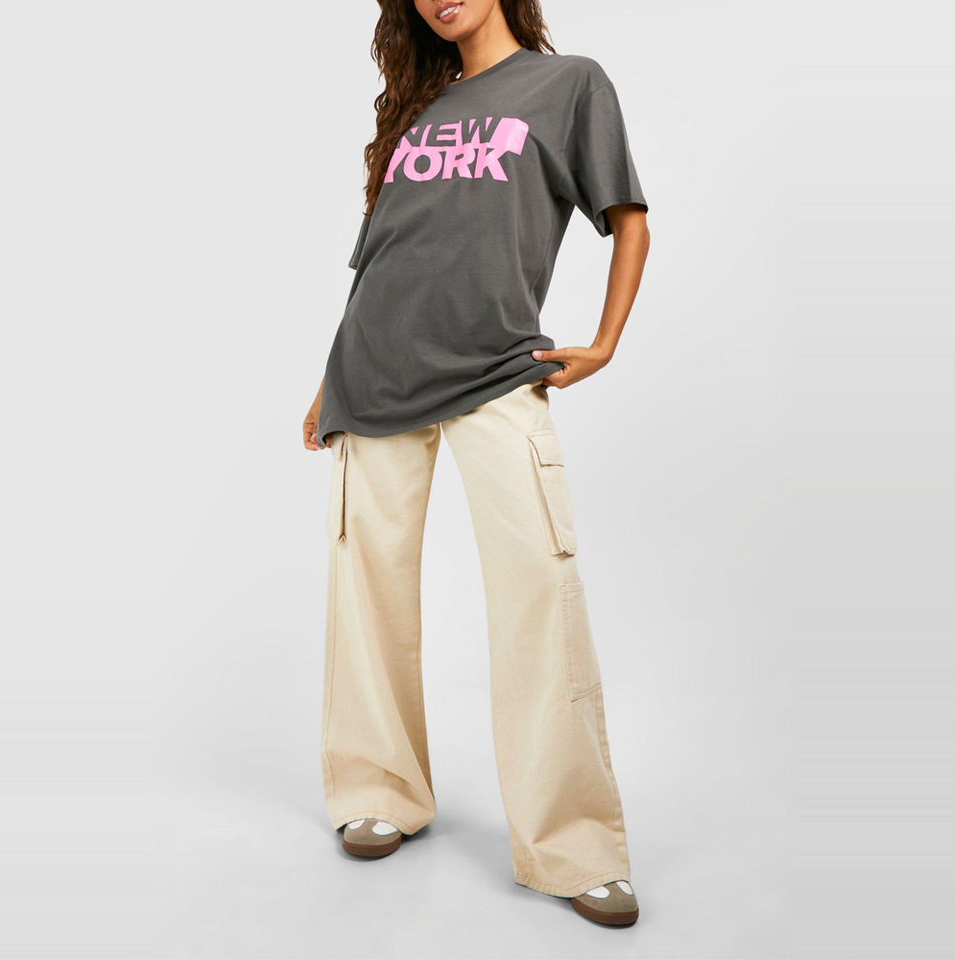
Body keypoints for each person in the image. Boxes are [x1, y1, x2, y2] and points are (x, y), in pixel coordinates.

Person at [303, 0, 650, 928]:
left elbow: (629, 221)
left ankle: (573, 843)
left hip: (497, 369)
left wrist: (605, 341)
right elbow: (381, 261)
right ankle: (378, 790)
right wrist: (330, 379)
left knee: (540, 589)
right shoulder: (416, 110)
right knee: (370, 593)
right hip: (373, 372)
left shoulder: (568, 84)